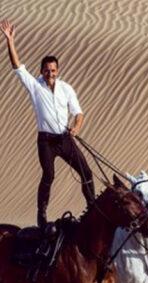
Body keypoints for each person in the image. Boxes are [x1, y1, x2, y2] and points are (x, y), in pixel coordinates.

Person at [0, 20, 95, 229]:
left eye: (53, 70)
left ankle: (92, 208)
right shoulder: (35, 86)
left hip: (65, 138)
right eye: (46, 70)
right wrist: (10, 40)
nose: (50, 73)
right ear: (41, 71)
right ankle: (41, 214)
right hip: (46, 142)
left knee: (86, 172)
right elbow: (17, 66)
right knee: (49, 175)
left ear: (57, 70)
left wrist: (76, 127)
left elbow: (78, 113)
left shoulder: (66, 88)